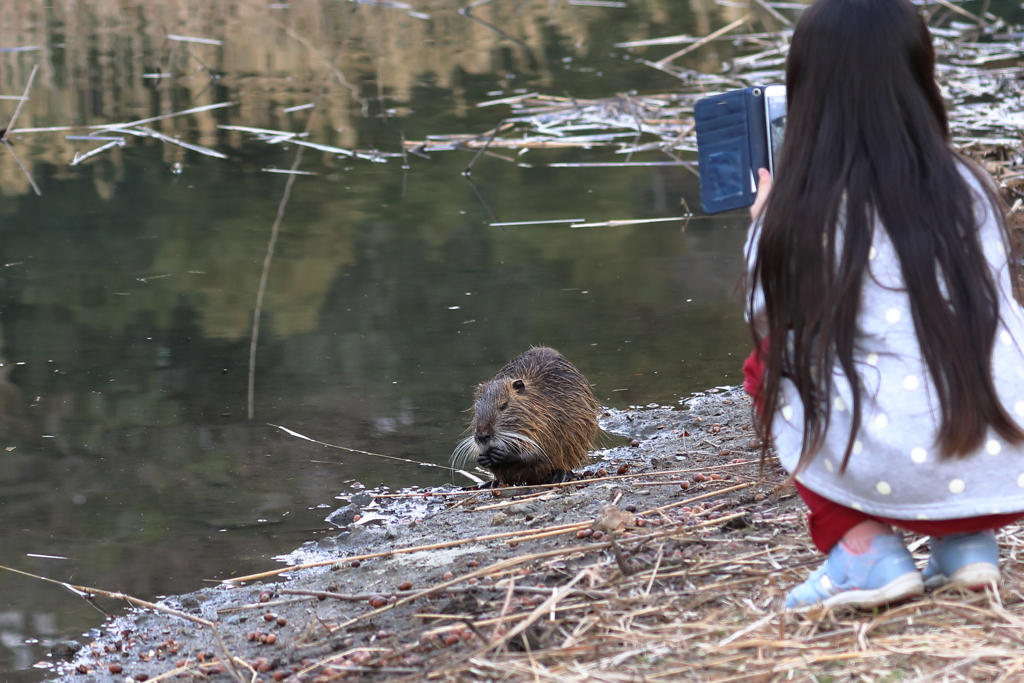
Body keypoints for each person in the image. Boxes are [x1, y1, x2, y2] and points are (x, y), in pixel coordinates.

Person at [742, 0, 1024, 611]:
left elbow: (766, 313)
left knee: (765, 364)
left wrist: (761, 222)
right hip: (1003, 453)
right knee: (949, 346)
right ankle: (967, 544)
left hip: (892, 455)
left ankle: (864, 549)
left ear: (806, 94)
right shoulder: (969, 185)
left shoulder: (799, 210)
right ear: (921, 79)